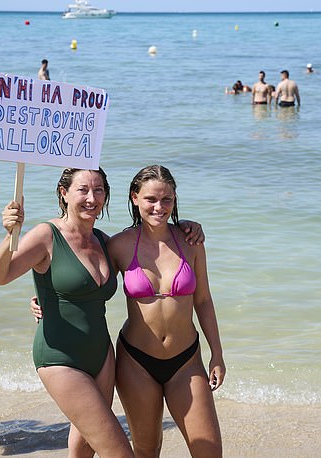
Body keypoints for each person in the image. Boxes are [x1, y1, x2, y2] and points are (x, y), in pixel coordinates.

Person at [0, 168, 203, 456]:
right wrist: (9, 237)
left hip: (102, 357)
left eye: (99, 190)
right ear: (64, 193)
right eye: (83, 190)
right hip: (61, 357)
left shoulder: (105, 242)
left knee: (83, 450)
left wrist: (186, 225)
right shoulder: (46, 234)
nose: (92, 198)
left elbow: (148, 257)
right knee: (120, 452)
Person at [109, 165, 224, 457]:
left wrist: (217, 354)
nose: (159, 207)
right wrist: (46, 299)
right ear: (135, 198)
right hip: (136, 361)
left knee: (209, 451)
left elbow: (204, 301)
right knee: (147, 450)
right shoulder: (119, 245)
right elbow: (88, 287)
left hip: (186, 360)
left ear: (174, 200)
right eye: (151, 199)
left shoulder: (191, 241)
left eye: (167, 200)